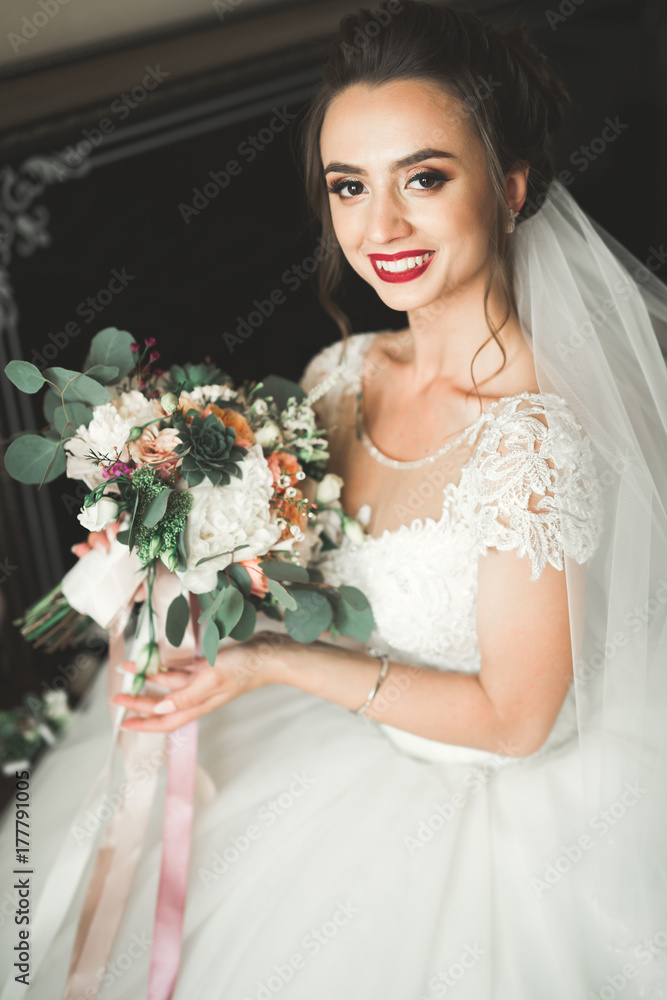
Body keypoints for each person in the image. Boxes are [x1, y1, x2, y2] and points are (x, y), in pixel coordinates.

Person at [2, 2, 666, 998]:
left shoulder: (535, 441)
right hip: (336, 741)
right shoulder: (339, 377)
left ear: (511, 187)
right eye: (349, 185)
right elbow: (293, 573)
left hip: (502, 800)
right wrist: (182, 552)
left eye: (424, 178)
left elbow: (512, 722)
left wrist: (273, 662)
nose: (379, 226)